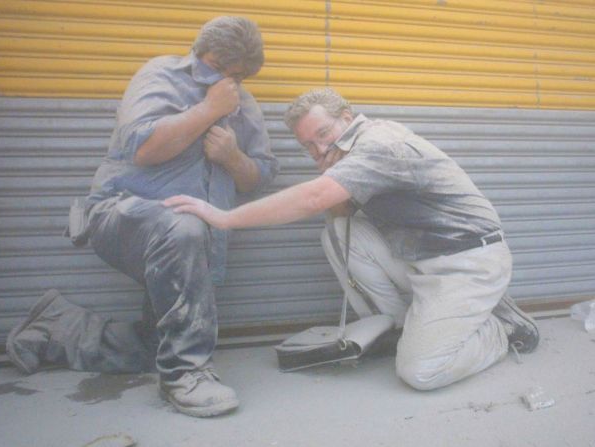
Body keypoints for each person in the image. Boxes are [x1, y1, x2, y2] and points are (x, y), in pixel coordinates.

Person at [164, 87, 538, 391]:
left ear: (347, 118)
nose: (319, 150)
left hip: (467, 261)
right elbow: (338, 214)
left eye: (323, 134)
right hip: (423, 258)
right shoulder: (350, 153)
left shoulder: (380, 145)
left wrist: (224, 217)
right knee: (341, 233)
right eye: (308, 145)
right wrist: (334, 169)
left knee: (421, 372)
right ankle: (405, 328)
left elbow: (311, 198)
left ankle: (501, 327)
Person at [5, 16, 279, 417]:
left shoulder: (243, 104)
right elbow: (143, 149)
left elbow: (261, 175)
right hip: (120, 215)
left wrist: (234, 158)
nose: (223, 80)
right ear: (200, 51)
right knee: (183, 222)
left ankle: (54, 327)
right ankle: (186, 374)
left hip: (192, 242)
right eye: (217, 67)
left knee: (155, 345)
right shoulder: (161, 74)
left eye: (235, 75)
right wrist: (208, 110)